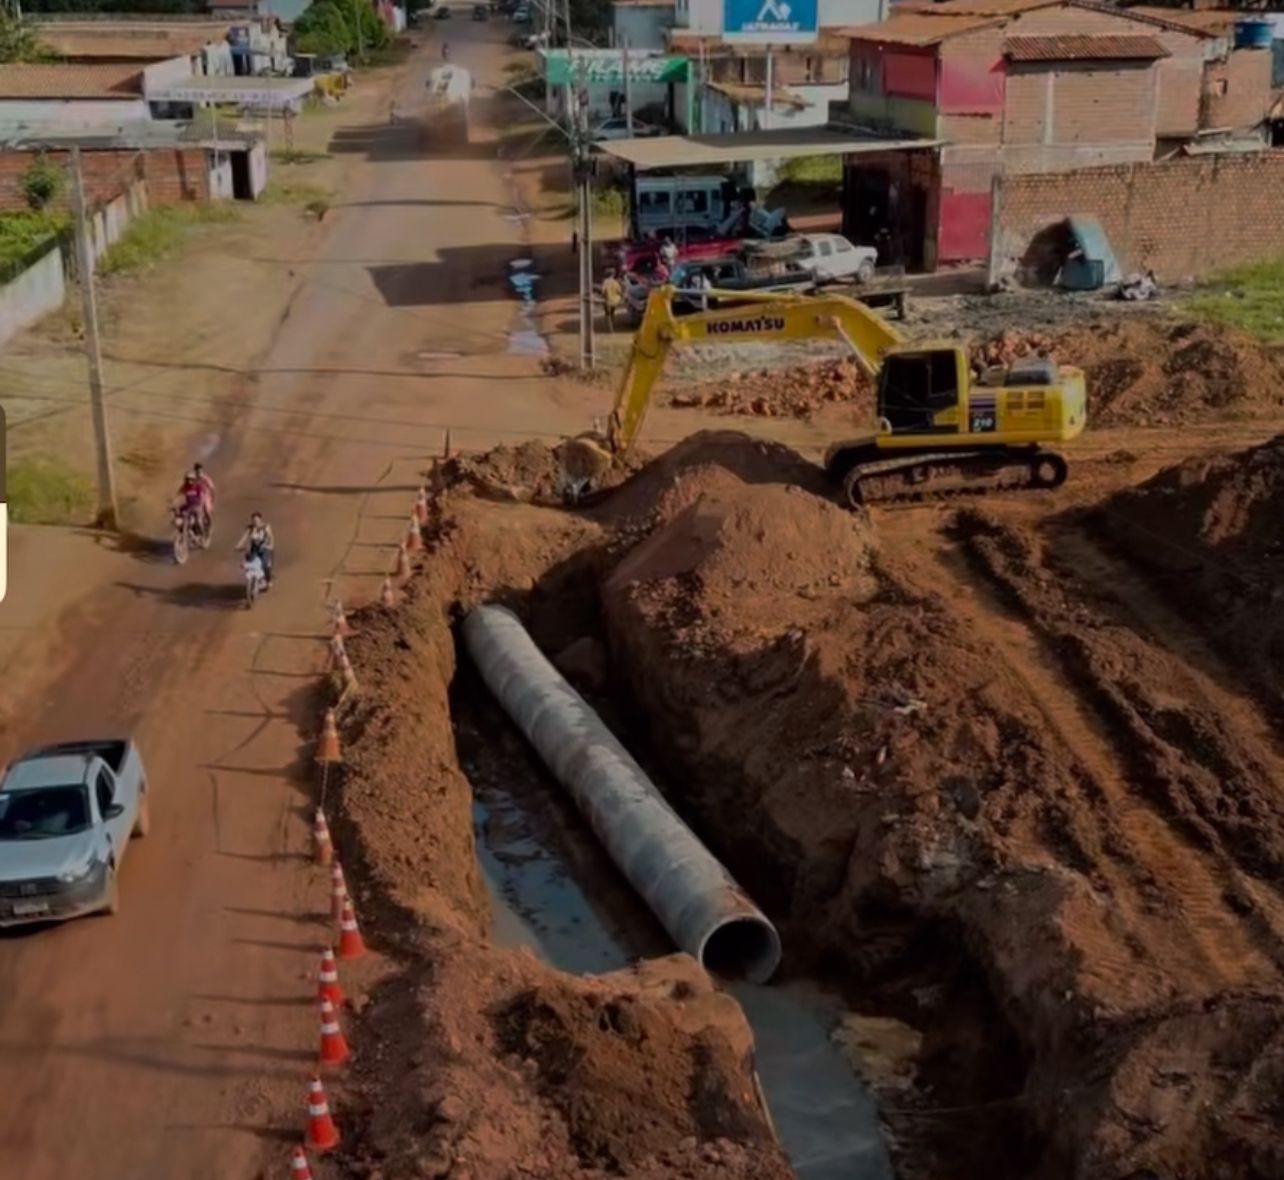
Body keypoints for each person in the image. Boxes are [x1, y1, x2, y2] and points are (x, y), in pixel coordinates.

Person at [235, 512, 275, 589]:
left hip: (265, 548)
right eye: (254, 520)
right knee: (248, 559)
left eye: (257, 520)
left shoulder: (266, 527)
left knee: (265, 564)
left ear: (260, 520)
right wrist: (238, 545)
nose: (255, 522)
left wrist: (270, 545)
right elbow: (244, 538)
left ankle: (268, 580)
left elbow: (271, 537)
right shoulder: (250, 528)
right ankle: (252, 577)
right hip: (255, 549)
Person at [174, 471, 206, 539]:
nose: (189, 481)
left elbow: (202, 497)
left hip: (197, 505)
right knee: (178, 515)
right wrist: (174, 503)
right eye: (188, 479)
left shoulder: (198, 487)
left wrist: (201, 503)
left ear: (194, 480)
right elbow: (178, 495)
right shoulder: (185, 487)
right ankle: (184, 531)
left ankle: (202, 534)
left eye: (191, 479)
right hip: (188, 506)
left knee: (198, 521)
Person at [192, 462, 216, 531]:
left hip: (206, 498)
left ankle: (210, 524)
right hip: (197, 498)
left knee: (206, 511)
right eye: (197, 471)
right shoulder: (193, 479)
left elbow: (212, 489)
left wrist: (212, 501)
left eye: (199, 471)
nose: (198, 472)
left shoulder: (206, 479)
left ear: (202, 471)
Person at [601, 268, 623, 333]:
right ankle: (612, 326)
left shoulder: (605, 282)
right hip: (615, 300)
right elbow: (619, 291)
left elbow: (603, 291)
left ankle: (610, 329)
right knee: (612, 314)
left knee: (608, 315)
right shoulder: (615, 282)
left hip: (607, 301)